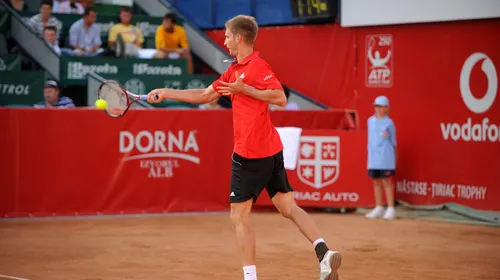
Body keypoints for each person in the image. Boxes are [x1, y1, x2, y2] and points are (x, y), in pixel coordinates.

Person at [146, 15, 341, 280]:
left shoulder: (257, 67)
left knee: (238, 216)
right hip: (271, 150)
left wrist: (245, 89)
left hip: (251, 152)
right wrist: (168, 93)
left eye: (227, 36)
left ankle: (250, 277)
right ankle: (324, 253)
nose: (224, 41)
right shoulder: (234, 69)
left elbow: (280, 98)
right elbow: (205, 95)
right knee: (287, 207)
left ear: (239, 37)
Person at [364, 95, 397, 220]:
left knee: (387, 182)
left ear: (387, 108)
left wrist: (394, 157)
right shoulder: (370, 121)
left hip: (386, 157)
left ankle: (391, 208)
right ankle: (379, 207)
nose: (378, 109)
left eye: (381, 106)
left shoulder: (389, 123)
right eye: (376, 106)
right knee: (376, 182)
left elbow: (394, 142)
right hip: (373, 158)